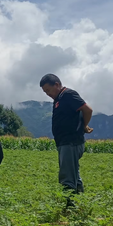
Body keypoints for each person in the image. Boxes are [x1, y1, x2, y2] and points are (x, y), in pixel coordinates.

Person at [40, 73, 93, 206]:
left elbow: (87, 110)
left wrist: (84, 126)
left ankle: (71, 207)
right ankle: (80, 202)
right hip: (66, 142)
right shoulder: (59, 99)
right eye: (45, 92)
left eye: (48, 90)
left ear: (57, 85)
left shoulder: (68, 94)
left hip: (71, 142)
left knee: (67, 176)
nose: (47, 93)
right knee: (74, 173)